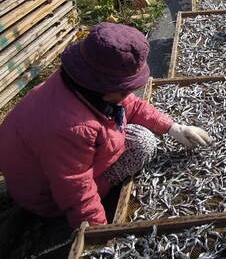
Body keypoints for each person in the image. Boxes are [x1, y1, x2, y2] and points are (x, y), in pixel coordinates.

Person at [0, 22, 213, 229]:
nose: (127, 95)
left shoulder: (80, 84)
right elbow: (76, 189)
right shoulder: (71, 128)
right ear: (104, 87)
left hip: (56, 166)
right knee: (142, 146)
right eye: (123, 90)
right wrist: (97, 234)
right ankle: (106, 184)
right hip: (47, 196)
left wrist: (173, 127)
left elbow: (132, 106)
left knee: (142, 138)